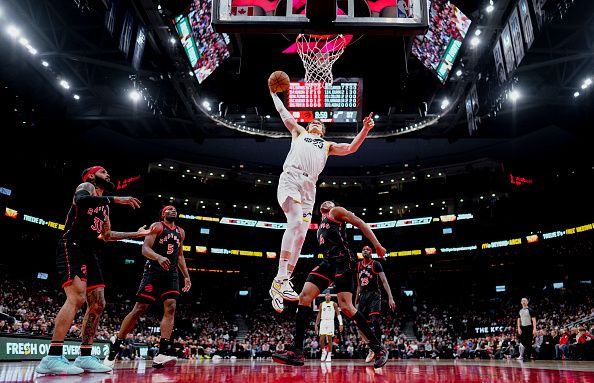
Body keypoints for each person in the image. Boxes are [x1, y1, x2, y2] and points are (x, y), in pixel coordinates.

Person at [268, 87, 376, 313]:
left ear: (323, 130)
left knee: (300, 236)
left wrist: (365, 129)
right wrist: (274, 94)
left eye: (319, 122)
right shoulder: (299, 133)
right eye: (313, 121)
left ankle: (283, 281)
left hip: (309, 188)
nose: (316, 122)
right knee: (295, 223)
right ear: (308, 126)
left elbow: (351, 148)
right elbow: (284, 113)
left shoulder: (327, 146)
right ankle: (279, 276)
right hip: (291, 178)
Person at [36, 166, 151, 375]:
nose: (108, 174)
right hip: (72, 245)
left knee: (98, 303)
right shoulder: (86, 186)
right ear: (92, 175)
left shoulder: (104, 207)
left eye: (109, 172)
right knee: (77, 298)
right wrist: (117, 199)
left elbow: (107, 235)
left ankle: (85, 355)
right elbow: (80, 200)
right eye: (104, 172)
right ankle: (51, 357)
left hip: (91, 252)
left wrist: (137, 234)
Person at [272, 201, 389, 369]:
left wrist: (377, 245)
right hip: (328, 262)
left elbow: (360, 223)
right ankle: (297, 351)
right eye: (324, 202)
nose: (327, 202)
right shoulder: (320, 227)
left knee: (346, 306)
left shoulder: (336, 212)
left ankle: (378, 349)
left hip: (343, 261)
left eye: (330, 201)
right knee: (304, 297)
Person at [104, 205, 191, 369]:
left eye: (174, 209)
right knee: (140, 308)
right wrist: (158, 257)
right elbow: (145, 249)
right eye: (168, 209)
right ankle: (115, 346)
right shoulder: (157, 226)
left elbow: (180, 255)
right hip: (154, 270)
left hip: (171, 272)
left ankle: (162, 353)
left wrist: (186, 276)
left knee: (171, 306)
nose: (172, 211)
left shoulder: (181, 232)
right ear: (162, 213)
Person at [355, 245, 396, 363]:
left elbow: (384, 281)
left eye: (367, 249)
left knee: (375, 321)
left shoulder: (376, 264)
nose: (365, 251)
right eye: (363, 249)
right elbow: (358, 284)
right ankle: (372, 348)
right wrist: (356, 300)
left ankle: (377, 348)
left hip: (374, 295)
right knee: (360, 324)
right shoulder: (358, 265)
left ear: (371, 252)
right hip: (362, 296)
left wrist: (390, 297)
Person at [314, 292, 343, 362]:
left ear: (330, 297)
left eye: (328, 295)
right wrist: (316, 324)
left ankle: (329, 355)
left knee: (330, 339)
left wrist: (341, 323)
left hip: (330, 322)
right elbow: (319, 314)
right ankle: (324, 352)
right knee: (321, 339)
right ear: (324, 297)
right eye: (326, 295)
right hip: (323, 322)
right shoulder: (322, 304)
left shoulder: (334, 304)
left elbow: (338, 314)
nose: (327, 296)